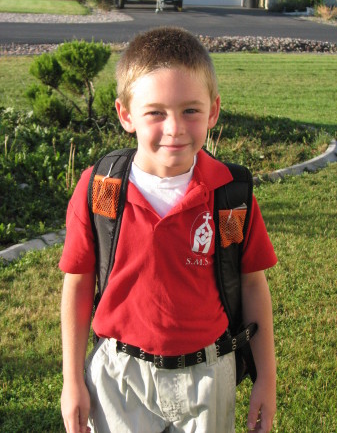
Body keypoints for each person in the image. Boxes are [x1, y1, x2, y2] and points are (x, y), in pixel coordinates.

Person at [60, 26, 277, 433]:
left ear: (213, 111)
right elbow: (77, 282)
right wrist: (72, 380)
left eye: (190, 110)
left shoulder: (230, 193)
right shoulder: (102, 189)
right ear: (126, 115)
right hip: (119, 376)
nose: (174, 128)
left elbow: (252, 285)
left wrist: (266, 376)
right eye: (155, 112)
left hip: (208, 375)